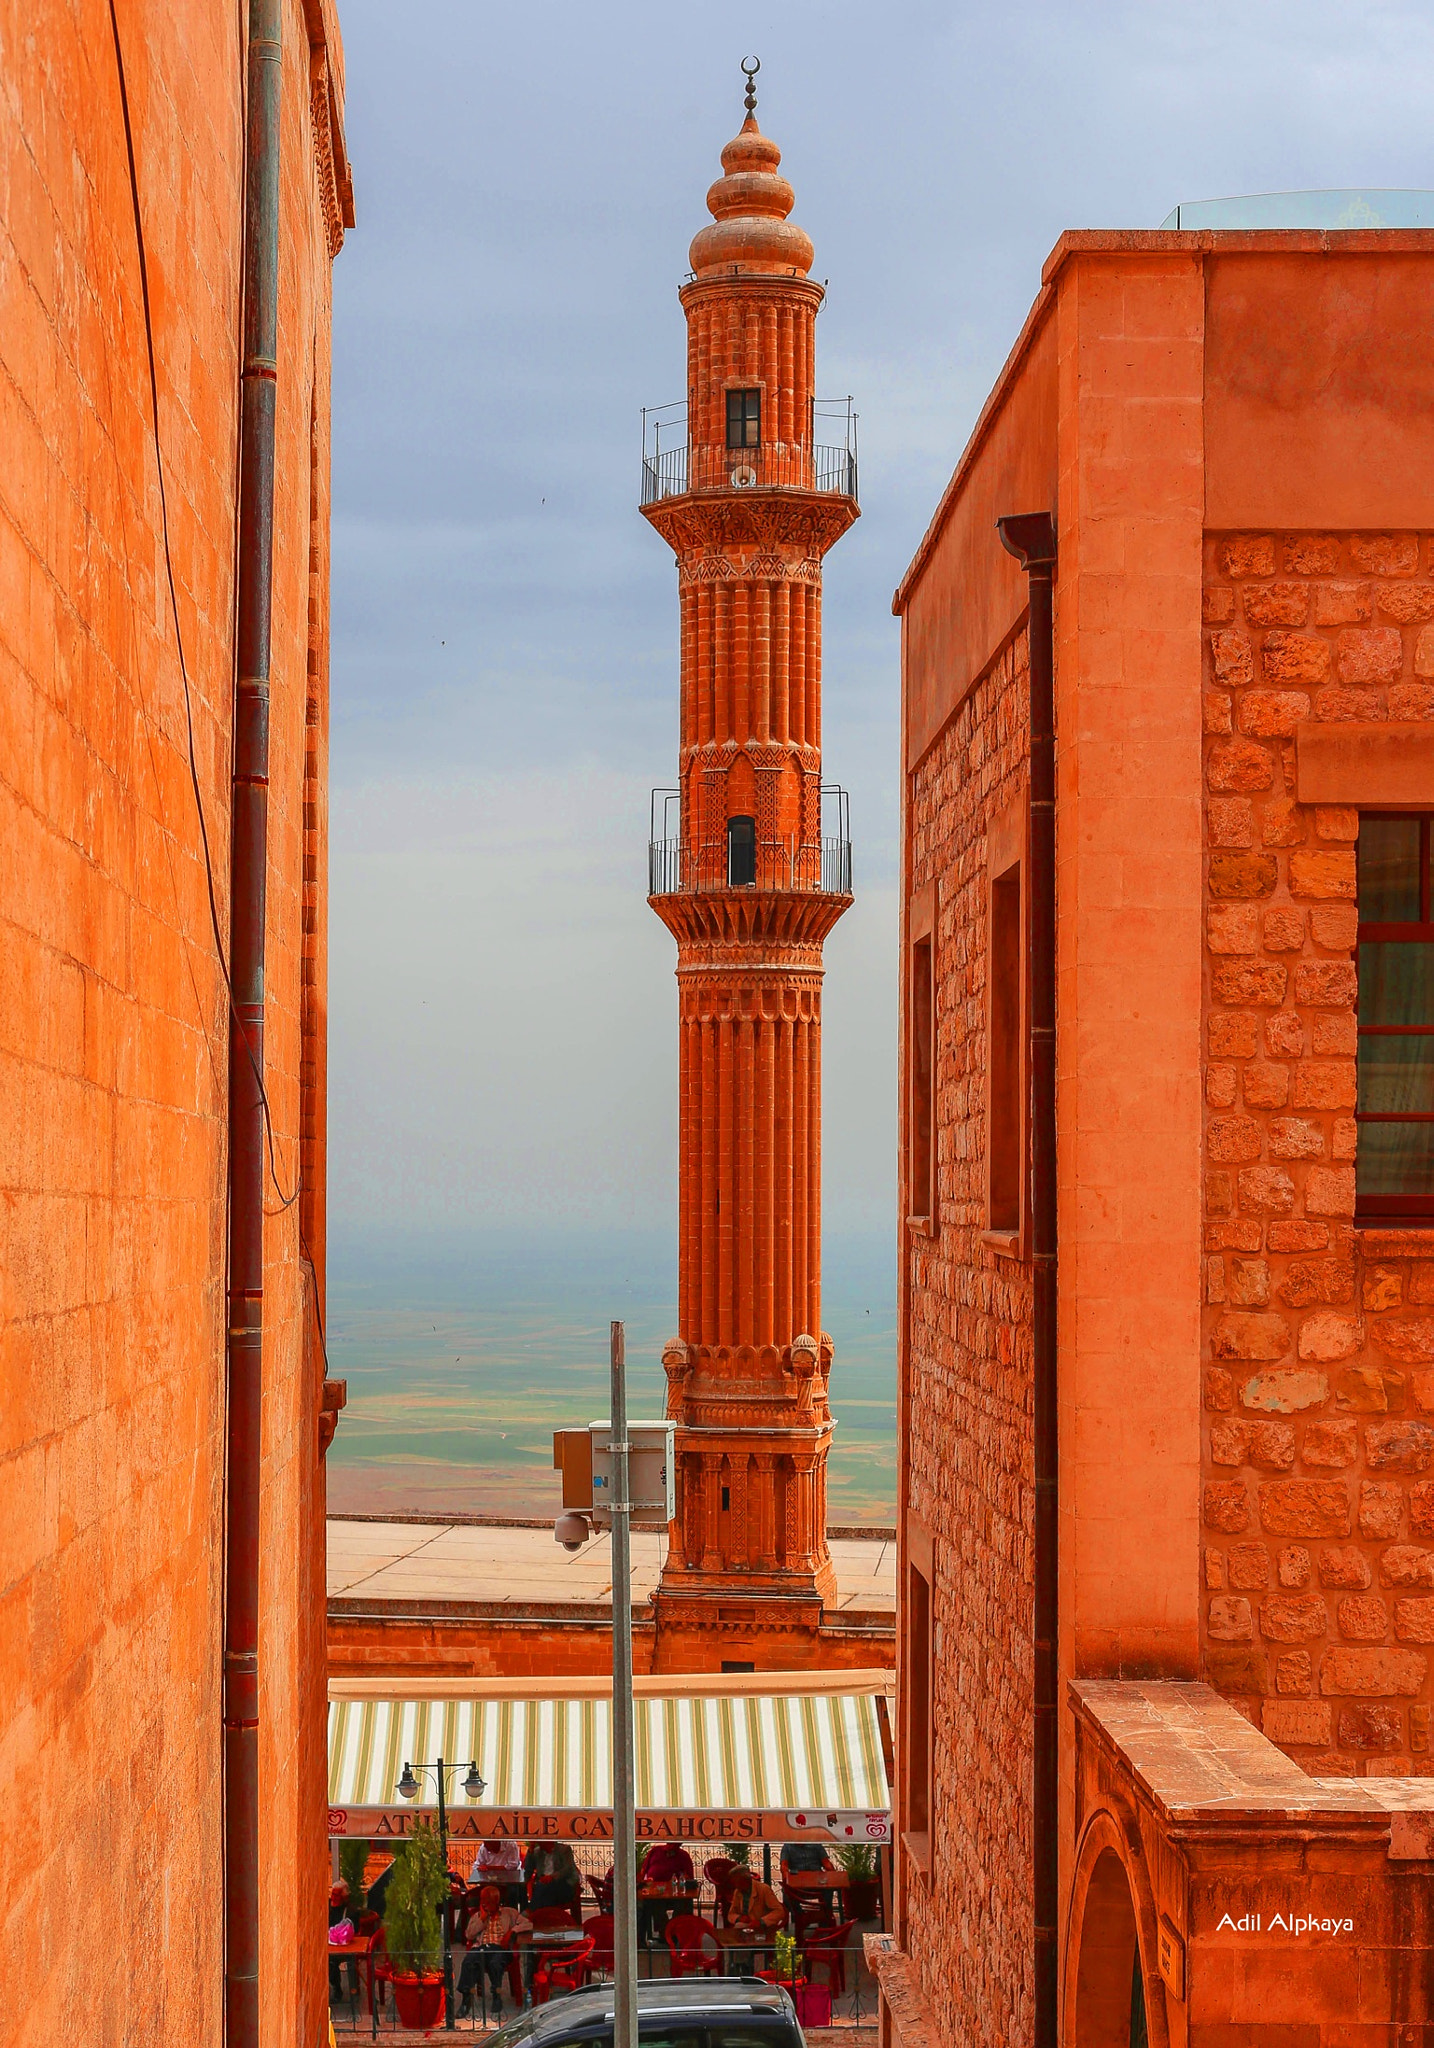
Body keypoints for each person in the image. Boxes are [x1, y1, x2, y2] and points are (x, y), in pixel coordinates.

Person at [456, 1883, 531, 2019]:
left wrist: (512, 1932)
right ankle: (466, 2000)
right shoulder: (477, 1916)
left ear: (496, 1902)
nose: (484, 1904)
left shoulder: (509, 1913)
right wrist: (482, 1919)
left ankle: (496, 1995)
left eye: (488, 1901)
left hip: (500, 1949)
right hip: (481, 1948)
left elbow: (528, 1924)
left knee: (496, 1963)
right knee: (468, 1962)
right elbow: (469, 1935)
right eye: (483, 1901)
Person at [722, 1867, 785, 1974]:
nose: (734, 1885)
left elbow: (779, 1912)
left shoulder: (763, 1889)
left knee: (740, 1934)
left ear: (743, 1880)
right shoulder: (738, 1892)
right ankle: (737, 1967)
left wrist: (761, 1921)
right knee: (736, 1933)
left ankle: (742, 1968)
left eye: (735, 1882)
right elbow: (731, 1914)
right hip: (745, 1928)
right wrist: (739, 1918)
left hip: (762, 1930)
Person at [637, 1840, 695, 1947]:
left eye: (676, 1844)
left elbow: (689, 1877)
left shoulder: (683, 1856)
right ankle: (666, 1934)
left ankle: (675, 1932)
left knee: (684, 1904)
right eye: (670, 1843)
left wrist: (683, 1879)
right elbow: (643, 1870)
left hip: (675, 1893)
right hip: (656, 1892)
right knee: (654, 1905)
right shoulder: (655, 1851)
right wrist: (643, 1882)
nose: (671, 1847)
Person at [780, 1842, 840, 1920]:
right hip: (798, 1882)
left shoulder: (816, 1844)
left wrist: (834, 1876)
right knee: (786, 1891)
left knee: (829, 1889)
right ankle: (800, 1916)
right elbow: (784, 1865)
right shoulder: (787, 1846)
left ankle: (825, 1917)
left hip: (817, 1881)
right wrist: (786, 1879)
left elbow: (826, 1862)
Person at [524, 1840, 582, 1917]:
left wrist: (551, 1877)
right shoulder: (537, 1852)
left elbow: (568, 1869)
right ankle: (544, 1920)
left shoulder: (564, 1850)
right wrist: (530, 1851)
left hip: (563, 1885)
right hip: (545, 1888)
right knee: (545, 1895)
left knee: (543, 1888)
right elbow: (529, 1869)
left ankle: (531, 1912)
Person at [327, 1881, 357, 2004]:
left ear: (344, 1897)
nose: (333, 1898)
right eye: (332, 1894)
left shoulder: (350, 1911)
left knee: (331, 1961)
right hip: (328, 1944)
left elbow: (356, 1931)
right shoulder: (326, 1907)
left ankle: (337, 1990)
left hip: (343, 1947)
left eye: (337, 1895)